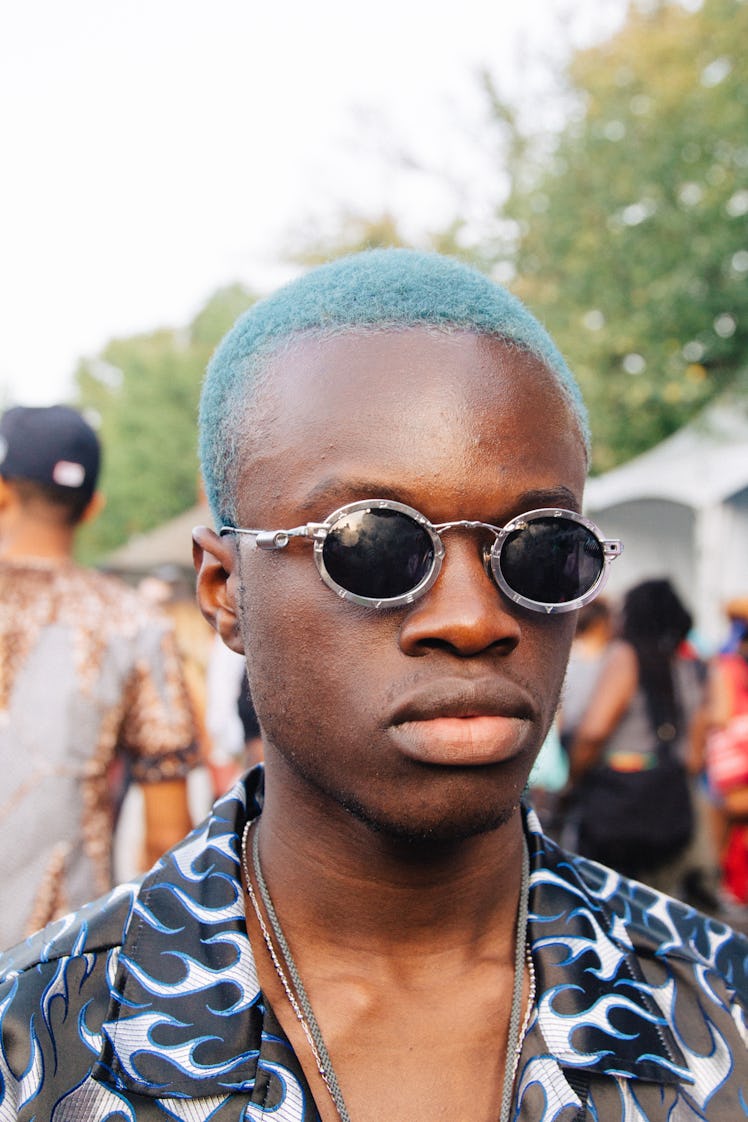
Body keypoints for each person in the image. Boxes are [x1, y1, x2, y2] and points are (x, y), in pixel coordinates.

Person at [0, 253, 745, 1121]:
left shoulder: (718, 1009)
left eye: (540, 550)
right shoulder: (40, 1052)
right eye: (373, 545)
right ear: (223, 590)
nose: (473, 619)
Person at [0, 405, 200, 948]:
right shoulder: (134, 623)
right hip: (56, 978)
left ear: (1, 493)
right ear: (92, 508)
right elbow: (167, 836)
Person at [568, 579, 707, 896]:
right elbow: (696, 755)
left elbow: (593, 731)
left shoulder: (625, 657)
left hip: (619, 807)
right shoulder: (688, 667)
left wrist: (573, 779)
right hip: (673, 809)